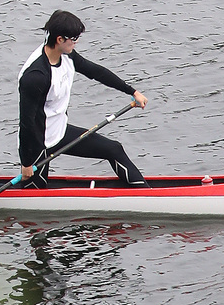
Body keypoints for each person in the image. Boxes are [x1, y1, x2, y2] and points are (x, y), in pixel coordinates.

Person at [19, 11, 148, 186]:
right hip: (37, 139)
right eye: (74, 39)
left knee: (113, 149)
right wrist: (26, 162)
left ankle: (145, 193)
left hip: (59, 128)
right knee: (33, 189)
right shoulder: (36, 76)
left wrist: (132, 91)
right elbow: (26, 123)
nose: (76, 42)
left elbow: (97, 72)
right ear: (59, 40)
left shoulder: (67, 56)